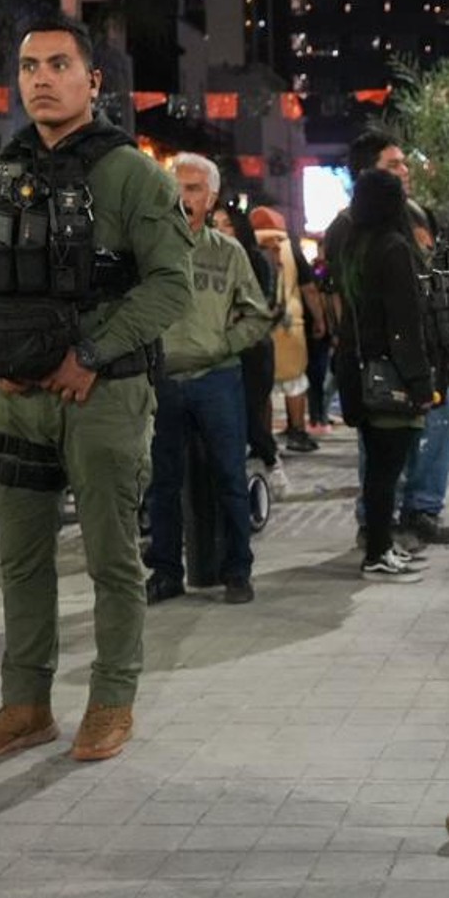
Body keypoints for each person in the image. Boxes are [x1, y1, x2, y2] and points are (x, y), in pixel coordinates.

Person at [0, 17, 193, 764]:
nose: (42, 79)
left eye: (59, 64)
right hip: (16, 399)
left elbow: (170, 285)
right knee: (20, 559)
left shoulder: (134, 175)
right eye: (29, 67)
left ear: (94, 80)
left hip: (103, 396)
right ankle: (25, 705)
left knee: (113, 560)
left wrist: (91, 353)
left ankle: (112, 699)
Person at [144, 154, 273, 607]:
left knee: (230, 477)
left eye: (194, 188)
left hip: (217, 378)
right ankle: (165, 573)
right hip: (162, 381)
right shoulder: (147, 248)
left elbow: (257, 315)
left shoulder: (229, 253)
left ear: (211, 198)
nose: (182, 196)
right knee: (162, 483)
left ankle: (237, 571)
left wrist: (223, 345)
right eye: (176, 187)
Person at [325, 131, 449, 546]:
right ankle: (378, 526)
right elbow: (346, 299)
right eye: (392, 165)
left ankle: (422, 511)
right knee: (385, 447)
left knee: (435, 433)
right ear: (367, 174)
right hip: (383, 358)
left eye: (404, 163)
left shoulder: (417, 214)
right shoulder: (349, 226)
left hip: (427, 350)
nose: (404, 170)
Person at [334, 167, 435, 581]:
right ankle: (377, 553)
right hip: (390, 376)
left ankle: (381, 546)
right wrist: (421, 382)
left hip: (359, 371)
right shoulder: (394, 248)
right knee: (387, 471)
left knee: (377, 468)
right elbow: (404, 323)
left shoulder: (354, 245)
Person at [212, 205, 288, 498]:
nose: (220, 229)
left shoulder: (256, 259)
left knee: (250, 414)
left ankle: (270, 462)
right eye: (216, 223)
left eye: (227, 224)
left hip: (253, 349)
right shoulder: (208, 257)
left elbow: (261, 307)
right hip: (219, 350)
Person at [251, 206, 318, 454]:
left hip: (257, 324)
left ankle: (264, 437)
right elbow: (309, 288)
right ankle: (297, 431)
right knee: (295, 381)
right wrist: (320, 319)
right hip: (290, 323)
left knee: (263, 386)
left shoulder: (247, 247)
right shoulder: (291, 248)